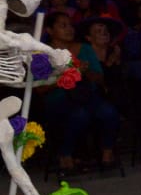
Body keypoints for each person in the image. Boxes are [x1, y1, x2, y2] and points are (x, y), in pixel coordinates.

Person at [41, 11, 119, 170]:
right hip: (58, 98)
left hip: (87, 95)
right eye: (63, 26)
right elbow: (40, 88)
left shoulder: (85, 48)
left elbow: (100, 78)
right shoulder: (43, 54)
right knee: (79, 114)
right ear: (49, 30)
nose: (69, 29)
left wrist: (86, 72)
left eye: (70, 25)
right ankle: (65, 154)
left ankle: (107, 153)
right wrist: (69, 74)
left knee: (109, 112)